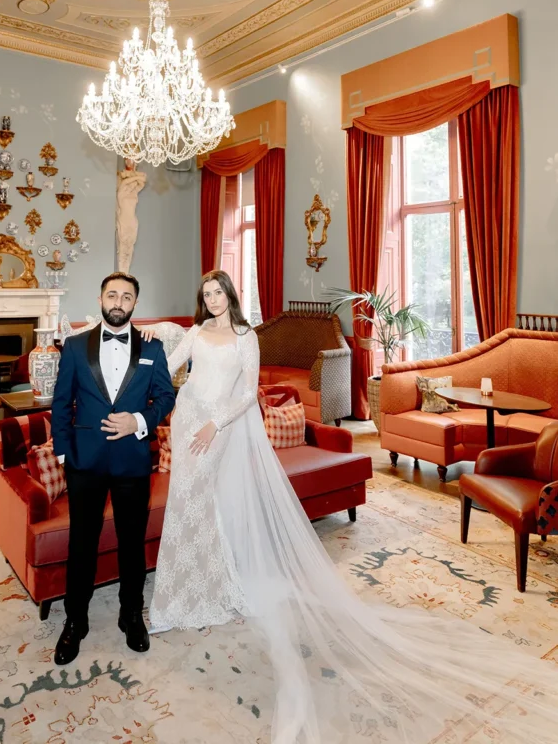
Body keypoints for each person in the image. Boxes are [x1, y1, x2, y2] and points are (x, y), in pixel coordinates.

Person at [149, 270, 557, 744]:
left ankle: (217, 584)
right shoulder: (197, 332)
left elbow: (244, 394)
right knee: (190, 506)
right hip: (189, 419)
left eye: (219, 292)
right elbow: (167, 365)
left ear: (230, 296)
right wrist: (153, 351)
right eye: (206, 295)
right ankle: (192, 585)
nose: (213, 299)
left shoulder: (244, 337)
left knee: (204, 504)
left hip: (215, 428)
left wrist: (213, 424)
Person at [50, 272, 175, 665]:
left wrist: (138, 421)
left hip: (132, 463)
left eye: (126, 296)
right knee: (81, 544)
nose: (118, 301)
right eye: (112, 294)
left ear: (135, 303)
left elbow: (165, 396)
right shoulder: (73, 346)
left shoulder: (153, 347)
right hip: (84, 463)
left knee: (131, 544)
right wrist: (65, 454)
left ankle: (129, 616)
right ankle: (75, 621)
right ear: (101, 298)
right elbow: (60, 403)